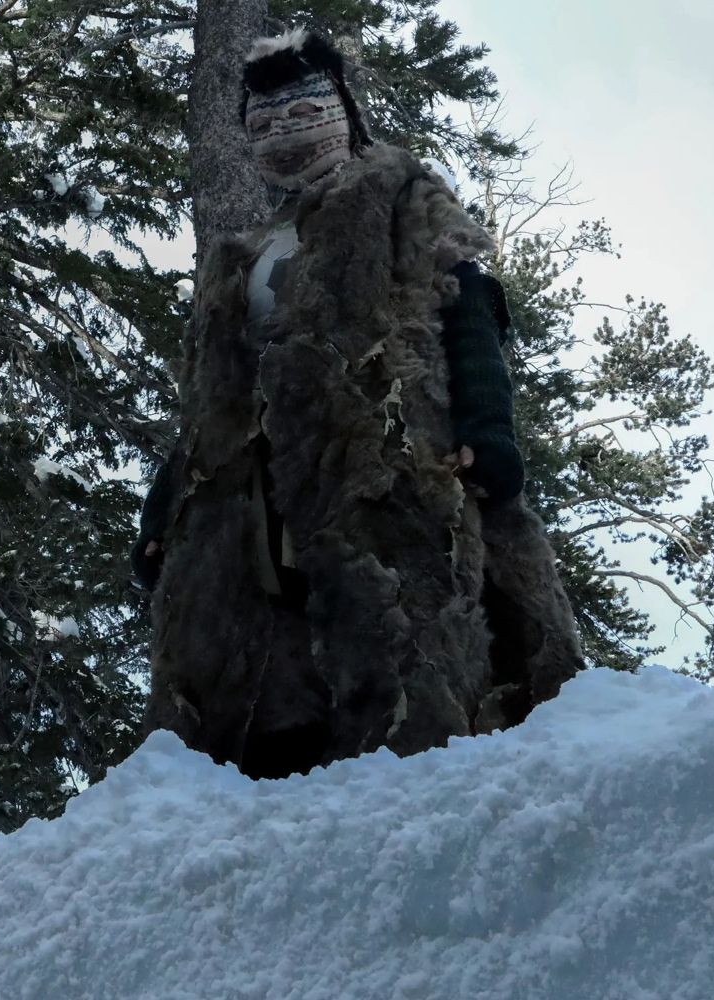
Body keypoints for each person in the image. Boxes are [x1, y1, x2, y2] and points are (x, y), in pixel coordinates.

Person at [133, 29, 582, 779]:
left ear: (343, 111)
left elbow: (466, 305)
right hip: (254, 487)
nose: (283, 135)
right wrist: (164, 513)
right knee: (256, 655)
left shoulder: (400, 197)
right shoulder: (243, 252)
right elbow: (212, 397)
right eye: (263, 124)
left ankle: (413, 788)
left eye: (303, 112)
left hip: (385, 457)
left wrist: (487, 430)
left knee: (403, 634)